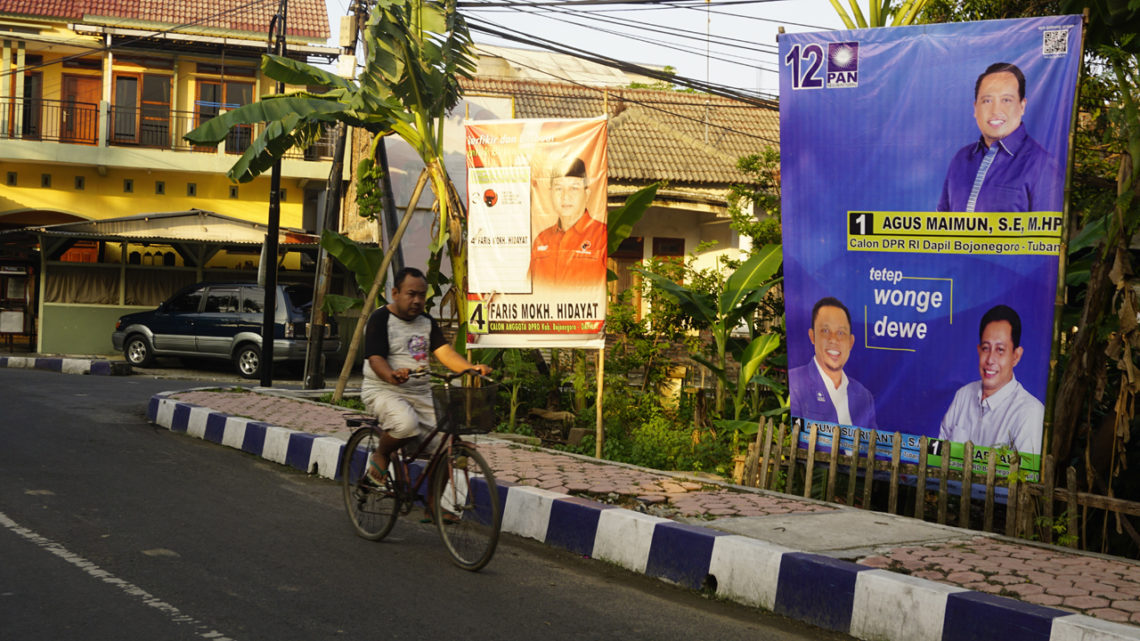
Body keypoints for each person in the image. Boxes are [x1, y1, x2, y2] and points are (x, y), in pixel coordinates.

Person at [360, 267, 492, 484]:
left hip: (421, 394)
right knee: (406, 424)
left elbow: (445, 352)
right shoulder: (380, 318)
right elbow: (375, 359)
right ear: (395, 293)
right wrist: (391, 374)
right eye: (411, 294)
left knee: (448, 445)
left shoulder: (427, 322)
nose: (417, 300)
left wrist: (470, 367)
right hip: (385, 391)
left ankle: (436, 507)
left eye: (422, 295)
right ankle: (382, 454)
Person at [937, 62, 1061, 213]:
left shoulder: (1042, 165)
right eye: (987, 101)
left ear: (1022, 106)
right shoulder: (961, 159)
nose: (996, 110)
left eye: (1006, 100)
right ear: (975, 108)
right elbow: (941, 223)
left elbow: (1047, 233)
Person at [939, 304, 1043, 455]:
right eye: (986, 348)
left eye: (1000, 350)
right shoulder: (963, 396)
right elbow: (937, 458)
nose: (990, 359)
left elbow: (1024, 476)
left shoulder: (1030, 413)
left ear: (1016, 356)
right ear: (979, 350)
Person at [788, 297, 878, 428]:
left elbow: (872, 444)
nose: (833, 340)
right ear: (812, 336)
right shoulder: (795, 383)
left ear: (851, 342)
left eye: (841, 333)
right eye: (825, 331)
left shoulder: (863, 395)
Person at [529, 157, 607, 287]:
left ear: (587, 194)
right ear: (551, 194)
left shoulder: (602, 235)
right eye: (559, 189)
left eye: (574, 188)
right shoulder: (541, 240)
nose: (565, 196)